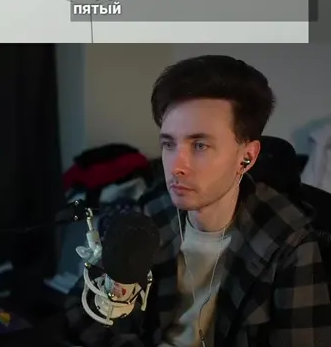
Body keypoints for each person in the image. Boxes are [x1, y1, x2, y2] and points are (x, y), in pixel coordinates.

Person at [65, 55, 331, 346]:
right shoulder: (152, 211)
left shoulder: (287, 243)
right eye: (169, 144)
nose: (176, 166)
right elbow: (83, 310)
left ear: (247, 156)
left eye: (200, 145)